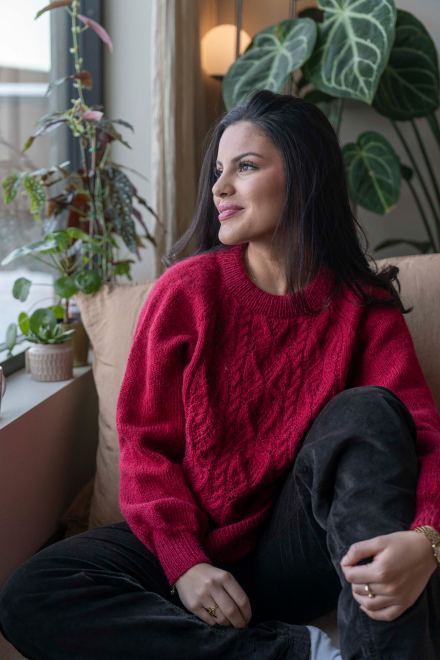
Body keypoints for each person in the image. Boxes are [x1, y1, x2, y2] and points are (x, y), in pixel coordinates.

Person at [1, 90, 440, 660]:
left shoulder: (363, 306)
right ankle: (299, 653)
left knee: (370, 411)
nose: (219, 188)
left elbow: (423, 438)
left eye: (246, 167)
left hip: (294, 552)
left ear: (304, 175)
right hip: (190, 542)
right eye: (218, 171)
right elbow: (144, 445)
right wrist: (184, 562)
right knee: (31, 595)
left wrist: (428, 538)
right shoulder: (185, 293)